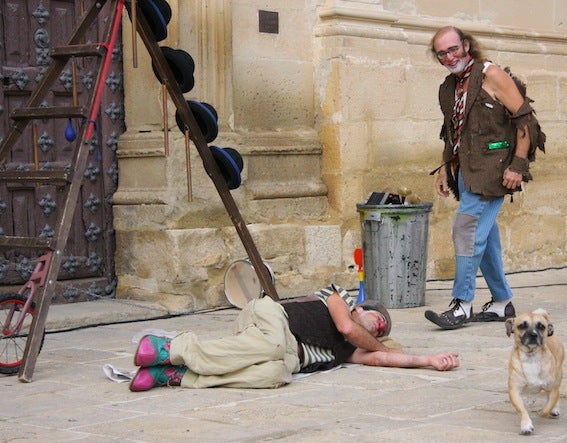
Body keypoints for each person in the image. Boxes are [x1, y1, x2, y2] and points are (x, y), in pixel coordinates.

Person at [424, 26, 544, 330]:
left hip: (495, 168)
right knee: (485, 236)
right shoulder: (448, 87)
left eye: (453, 49)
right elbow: (452, 132)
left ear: (466, 46)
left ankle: (462, 304)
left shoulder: (491, 74)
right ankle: (502, 301)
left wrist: (518, 165)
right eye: (442, 53)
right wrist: (444, 168)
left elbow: (525, 118)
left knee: (466, 229)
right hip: (466, 170)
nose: (450, 57)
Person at [129, 285, 459, 391]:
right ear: (361, 309)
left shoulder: (348, 351)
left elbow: (384, 357)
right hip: (270, 317)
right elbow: (347, 328)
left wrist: (428, 360)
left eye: (383, 332)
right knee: (274, 346)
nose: (380, 329)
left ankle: (176, 374)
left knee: (275, 374)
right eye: (379, 321)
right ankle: (169, 347)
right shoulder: (338, 298)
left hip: (287, 356)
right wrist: (373, 341)